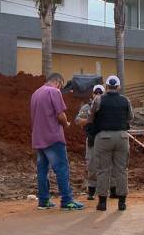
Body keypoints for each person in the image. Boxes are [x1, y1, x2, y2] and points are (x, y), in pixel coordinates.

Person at [31, 73, 84, 211]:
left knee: (42, 170)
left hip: (38, 138)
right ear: (58, 82)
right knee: (62, 169)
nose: (60, 88)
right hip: (53, 137)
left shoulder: (36, 93)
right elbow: (60, 115)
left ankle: (43, 201)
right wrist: (66, 124)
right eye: (61, 86)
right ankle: (67, 200)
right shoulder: (54, 92)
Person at [87, 75, 133, 211]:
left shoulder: (98, 99)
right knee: (121, 170)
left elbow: (90, 117)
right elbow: (130, 117)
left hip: (103, 137)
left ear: (106, 86)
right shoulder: (125, 100)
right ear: (118, 87)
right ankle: (122, 202)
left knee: (103, 170)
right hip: (122, 137)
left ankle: (102, 202)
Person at [75, 84, 117, 200]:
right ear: (92, 94)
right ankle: (91, 191)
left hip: (107, 139)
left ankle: (113, 190)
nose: (98, 95)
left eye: (100, 93)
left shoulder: (109, 105)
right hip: (93, 139)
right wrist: (89, 120)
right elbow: (77, 120)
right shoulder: (87, 107)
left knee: (111, 165)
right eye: (96, 93)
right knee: (92, 165)